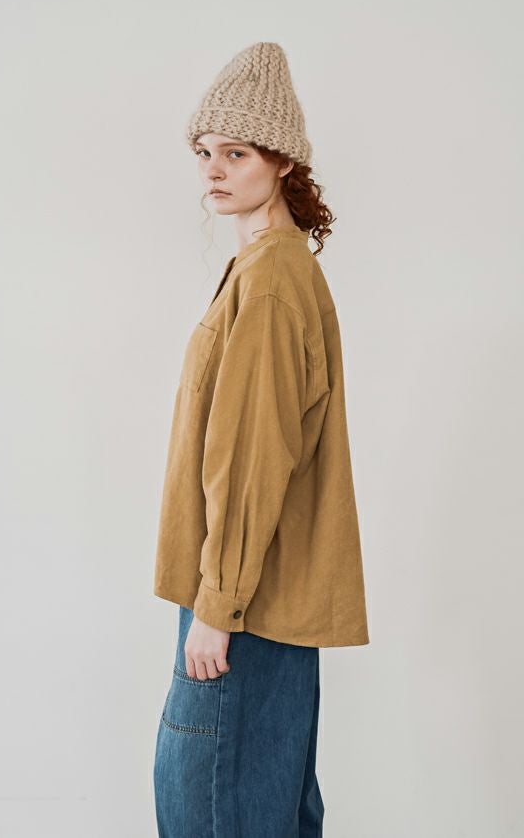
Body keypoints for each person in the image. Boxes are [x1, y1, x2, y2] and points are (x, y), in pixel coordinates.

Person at [152, 41, 370, 838]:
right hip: (257, 599)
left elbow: (251, 457)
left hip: (243, 606)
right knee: (264, 809)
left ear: (281, 162)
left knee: (212, 810)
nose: (212, 170)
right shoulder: (270, 267)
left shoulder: (272, 282)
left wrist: (217, 606)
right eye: (205, 152)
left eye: (235, 153)